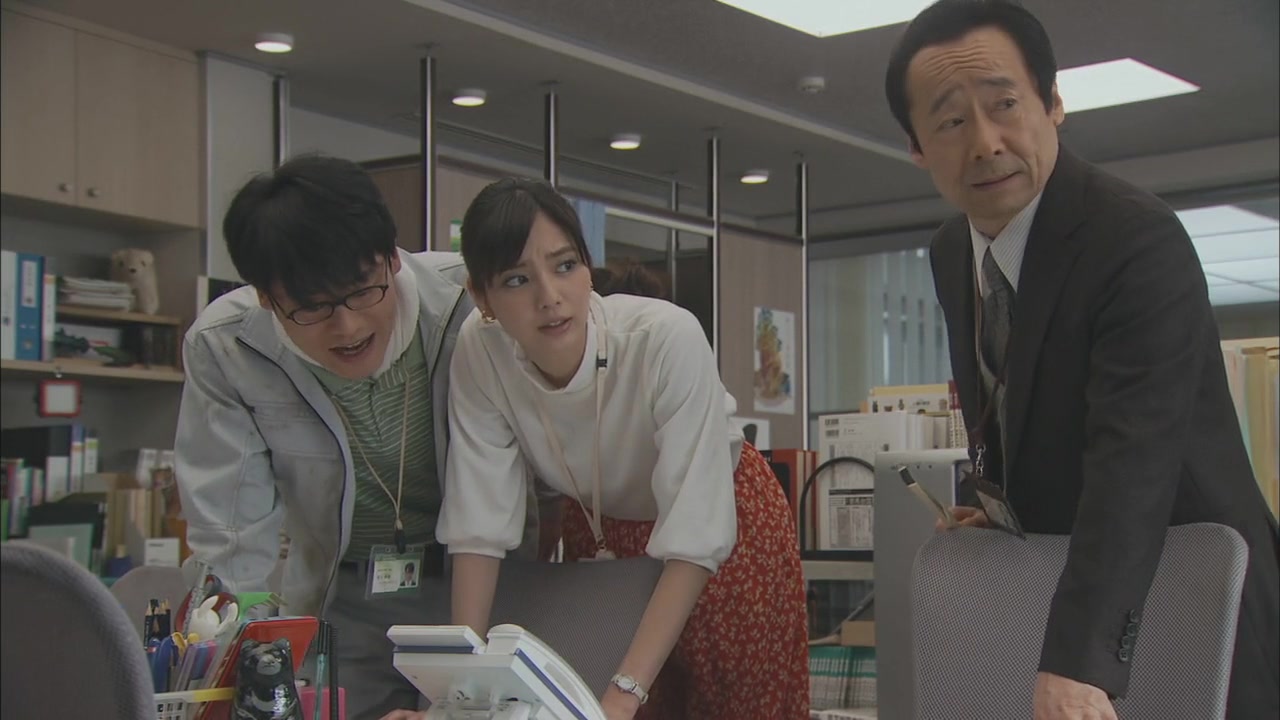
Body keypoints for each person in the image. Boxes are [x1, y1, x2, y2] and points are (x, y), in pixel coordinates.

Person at [884, 2, 1280, 718]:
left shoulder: (1133, 239)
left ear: (1053, 104)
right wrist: (1000, 506)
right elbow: (1015, 399)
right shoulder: (950, 252)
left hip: (1193, 588)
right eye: (951, 122)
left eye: (1005, 105)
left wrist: (1077, 659)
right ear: (916, 148)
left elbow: (1134, 463)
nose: (985, 143)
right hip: (1070, 583)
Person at [173, 154, 544, 719]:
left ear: (391, 258)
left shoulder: (469, 304)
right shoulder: (228, 348)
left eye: (362, 292)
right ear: (266, 298)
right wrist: (234, 667)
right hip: (345, 593)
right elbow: (231, 539)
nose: (346, 327)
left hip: (493, 582)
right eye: (312, 308)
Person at [434, 177, 810, 719]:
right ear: (481, 297)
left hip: (723, 519)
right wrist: (459, 692)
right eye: (517, 279)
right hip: (599, 525)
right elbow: (478, 523)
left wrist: (625, 691)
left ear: (588, 267)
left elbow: (697, 535)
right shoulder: (479, 349)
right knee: (586, 698)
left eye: (565, 265)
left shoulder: (664, 337)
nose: (549, 296)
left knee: (728, 703)